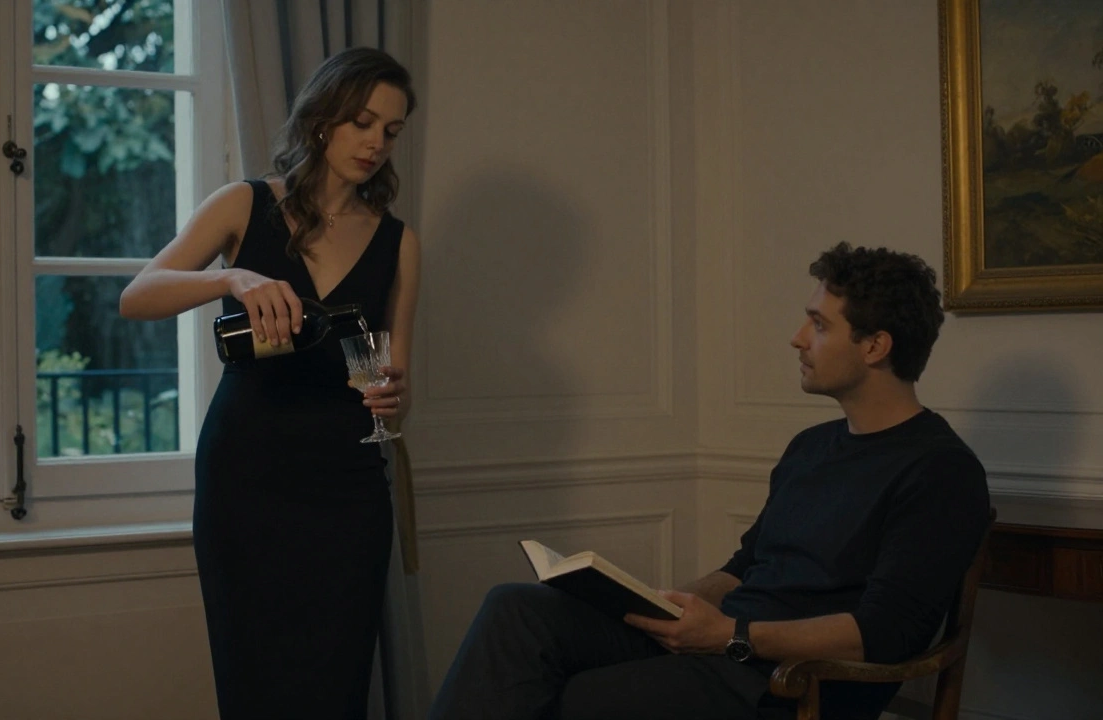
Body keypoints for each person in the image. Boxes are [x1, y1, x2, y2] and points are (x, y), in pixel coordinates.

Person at [427, 242, 990, 720]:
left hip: (792, 680)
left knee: (577, 698)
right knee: (516, 613)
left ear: (874, 345)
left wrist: (729, 634)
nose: (798, 338)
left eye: (819, 325)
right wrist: (663, 605)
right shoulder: (811, 448)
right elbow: (744, 568)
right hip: (728, 643)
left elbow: (884, 633)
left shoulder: (940, 471)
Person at [119, 47, 420, 718]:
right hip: (246, 480)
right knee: (253, 680)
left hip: (348, 490)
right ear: (322, 120)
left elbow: (395, 379)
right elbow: (136, 296)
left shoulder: (398, 240)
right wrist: (230, 277)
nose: (375, 143)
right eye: (362, 122)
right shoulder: (243, 204)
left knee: (337, 685)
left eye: (391, 131)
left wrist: (394, 396)